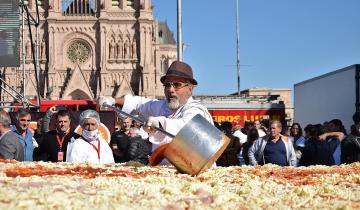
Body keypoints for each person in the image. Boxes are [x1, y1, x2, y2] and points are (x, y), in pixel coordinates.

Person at [97, 61, 213, 164]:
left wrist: (159, 122)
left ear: (190, 89)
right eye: (167, 85)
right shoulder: (162, 106)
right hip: (165, 173)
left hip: (197, 174)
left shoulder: (196, 109)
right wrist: (113, 100)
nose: (170, 89)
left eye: (177, 85)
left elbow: (186, 126)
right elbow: (138, 103)